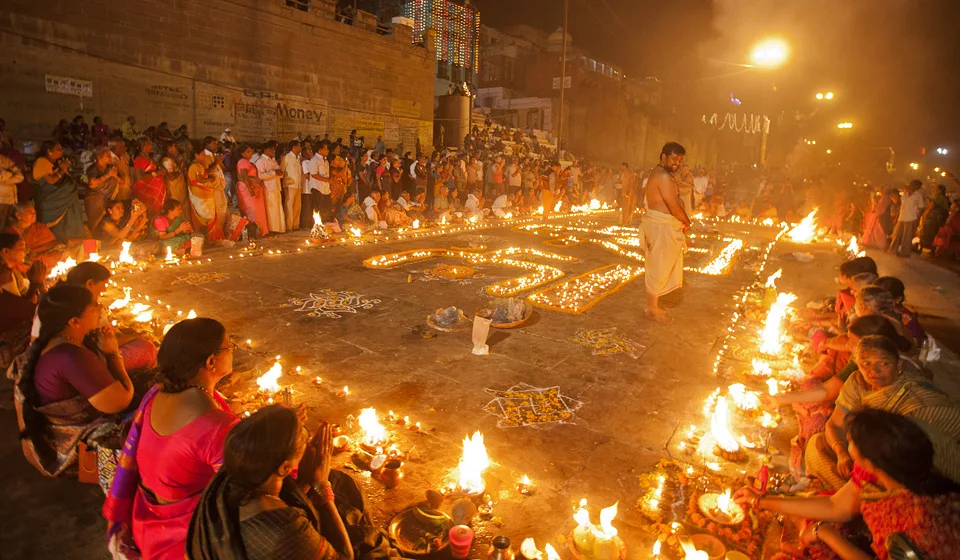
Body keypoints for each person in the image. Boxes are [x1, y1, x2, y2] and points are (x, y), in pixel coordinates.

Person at [736, 408, 960, 560]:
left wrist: (825, 533)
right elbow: (836, 507)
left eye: (851, 441)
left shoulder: (914, 522)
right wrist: (760, 500)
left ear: (871, 462)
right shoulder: (889, 472)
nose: (846, 442)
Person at [102, 318, 238, 560]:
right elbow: (245, 493)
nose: (233, 351)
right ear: (211, 361)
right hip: (185, 537)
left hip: (148, 524)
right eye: (230, 347)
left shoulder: (157, 393)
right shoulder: (216, 426)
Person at [187, 406, 356, 560]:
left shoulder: (230, 475)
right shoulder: (285, 526)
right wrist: (321, 484)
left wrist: (305, 478)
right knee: (370, 539)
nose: (308, 443)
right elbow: (345, 557)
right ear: (284, 468)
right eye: (304, 441)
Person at [805, 335, 960, 490]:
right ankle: (853, 493)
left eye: (884, 363)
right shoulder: (856, 382)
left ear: (898, 364)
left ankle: (860, 497)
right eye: (866, 363)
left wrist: (864, 459)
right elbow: (834, 424)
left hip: (905, 466)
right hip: (867, 456)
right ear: (857, 364)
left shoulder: (914, 397)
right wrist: (842, 454)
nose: (874, 371)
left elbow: (911, 454)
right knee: (816, 445)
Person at [10, 284, 134, 477]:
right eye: (94, 307)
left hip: (52, 435)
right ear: (75, 321)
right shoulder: (70, 356)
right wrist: (112, 354)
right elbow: (119, 403)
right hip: (73, 445)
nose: (101, 308)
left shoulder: (52, 342)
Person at [641, 142, 691, 323]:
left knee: (659, 266)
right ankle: (651, 309)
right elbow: (674, 206)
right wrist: (687, 222)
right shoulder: (662, 176)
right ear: (663, 157)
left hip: (662, 226)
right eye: (674, 158)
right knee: (658, 267)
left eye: (680, 159)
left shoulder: (662, 174)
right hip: (661, 227)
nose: (677, 162)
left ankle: (653, 305)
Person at [32, 141, 84, 243]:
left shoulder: (55, 163)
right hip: (50, 200)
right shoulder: (41, 162)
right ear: (49, 151)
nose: (62, 151)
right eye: (58, 149)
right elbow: (51, 181)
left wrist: (63, 169)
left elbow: (68, 178)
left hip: (62, 201)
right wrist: (61, 170)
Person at [3, 203, 62, 269]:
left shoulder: (37, 228)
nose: (34, 215)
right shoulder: (10, 233)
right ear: (18, 215)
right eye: (30, 212)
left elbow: (51, 243)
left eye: (34, 212)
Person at [874, 276, 926, 347]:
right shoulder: (876, 310)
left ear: (898, 299)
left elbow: (916, 343)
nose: (878, 302)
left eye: (885, 299)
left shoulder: (905, 318)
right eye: (874, 297)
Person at [188, 152, 225, 242]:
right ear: (196, 155)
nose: (204, 157)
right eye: (202, 154)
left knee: (209, 216)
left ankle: (210, 238)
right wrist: (211, 179)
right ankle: (208, 238)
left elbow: (204, 173)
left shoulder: (198, 165)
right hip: (201, 197)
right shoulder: (195, 166)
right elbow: (200, 179)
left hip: (204, 195)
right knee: (206, 216)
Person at [84, 146, 122, 231]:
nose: (110, 157)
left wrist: (114, 175)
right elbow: (92, 183)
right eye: (107, 155)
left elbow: (122, 181)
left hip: (108, 200)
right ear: (99, 157)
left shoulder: (110, 168)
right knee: (96, 224)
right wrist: (108, 175)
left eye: (110, 155)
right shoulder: (93, 169)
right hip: (95, 201)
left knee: (107, 222)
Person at [236, 144, 269, 237]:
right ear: (242, 154)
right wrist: (250, 189)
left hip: (254, 188)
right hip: (248, 189)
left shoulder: (248, 162)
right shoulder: (243, 162)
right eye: (247, 152)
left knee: (258, 210)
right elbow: (244, 177)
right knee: (252, 210)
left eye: (251, 151)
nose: (250, 153)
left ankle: (261, 230)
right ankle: (254, 231)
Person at [255, 141, 286, 233]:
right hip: (268, 188)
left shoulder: (273, 160)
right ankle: (272, 229)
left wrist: (279, 173)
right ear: (265, 150)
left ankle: (279, 228)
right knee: (271, 209)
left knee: (278, 208)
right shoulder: (261, 161)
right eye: (271, 149)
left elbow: (278, 173)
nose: (273, 151)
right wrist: (274, 173)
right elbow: (260, 176)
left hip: (276, 187)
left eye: (274, 149)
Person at [888, 180, 925, 257]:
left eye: (914, 185)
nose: (911, 186)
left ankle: (905, 253)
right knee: (896, 234)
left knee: (907, 236)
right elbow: (901, 204)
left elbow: (921, 207)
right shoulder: (905, 193)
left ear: (917, 187)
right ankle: (892, 250)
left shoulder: (918, 195)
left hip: (911, 217)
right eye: (911, 184)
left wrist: (917, 218)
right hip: (901, 217)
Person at [132, 139, 169, 214]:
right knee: (147, 213)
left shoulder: (149, 158)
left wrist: (162, 170)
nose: (151, 146)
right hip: (146, 191)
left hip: (155, 191)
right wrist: (157, 173)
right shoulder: (139, 159)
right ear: (143, 147)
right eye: (149, 144)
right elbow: (139, 177)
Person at [918, 184, 951, 251]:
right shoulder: (945, 198)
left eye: (935, 188)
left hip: (934, 218)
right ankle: (932, 248)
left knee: (927, 232)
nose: (933, 190)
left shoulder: (939, 197)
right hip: (939, 219)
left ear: (939, 190)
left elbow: (931, 206)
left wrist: (925, 214)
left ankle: (923, 247)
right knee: (934, 233)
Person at [0, 150, 25, 228]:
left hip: (10, 201)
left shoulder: (5, 159)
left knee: (6, 228)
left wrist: (4, 177)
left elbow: (20, 177)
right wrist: (9, 174)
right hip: (2, 200)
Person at [283, 140, 303, 231]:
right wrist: (285, 185)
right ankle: (289, 226)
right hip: (290, 185)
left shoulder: (297, 158)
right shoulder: (287, 157)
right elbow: (282, 171)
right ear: (294, 147)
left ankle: (296, 225)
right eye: (299, 146)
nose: (300, 148)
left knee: (297, 206)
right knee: (289, 206)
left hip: (298, 185)